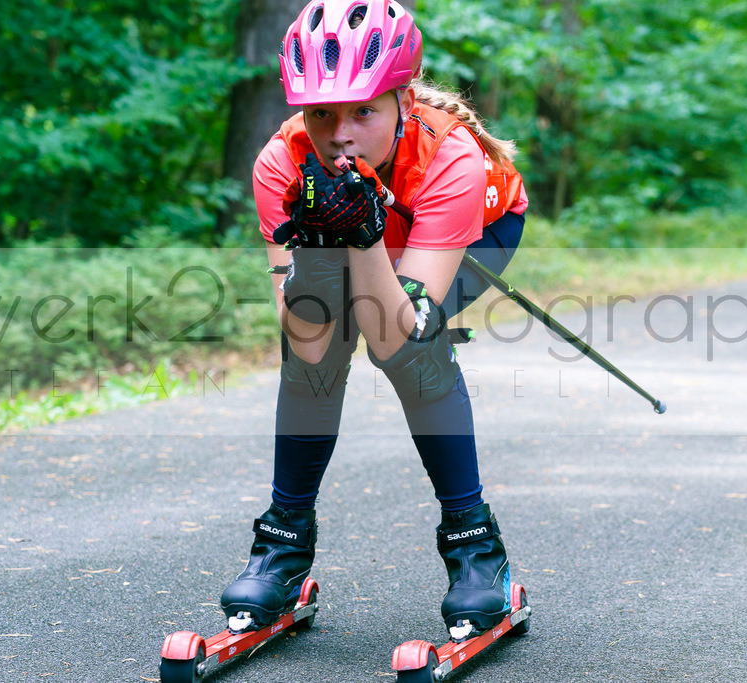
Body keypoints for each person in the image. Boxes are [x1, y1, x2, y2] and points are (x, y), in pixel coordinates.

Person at [219, 0, 529, 642]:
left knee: (412, 352)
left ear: (402, 103)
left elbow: (396, 334)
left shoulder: (455, 161)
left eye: (364, 111)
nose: (340, 134)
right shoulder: (282, 164)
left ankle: (477, 552)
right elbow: (305, 338)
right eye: (322, 114)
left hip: (478, 230)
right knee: (318, 355)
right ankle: (282, 546)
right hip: (358, 232)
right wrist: (316, 252)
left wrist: (363, 237)